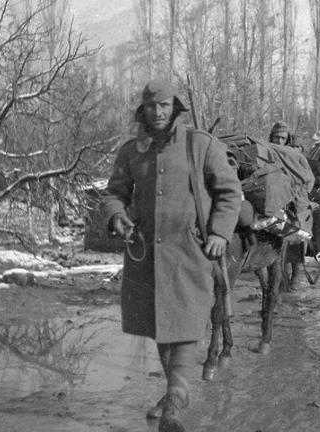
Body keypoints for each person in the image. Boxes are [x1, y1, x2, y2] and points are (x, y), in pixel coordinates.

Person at [100, 80, 241, 431]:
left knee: (187, 320)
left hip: (190, 249)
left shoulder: (200, 145)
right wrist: (117, 215)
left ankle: (176, 396)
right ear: (142, 111)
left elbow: (229, 192)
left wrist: (221, 233)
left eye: (164, 105)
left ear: (176, 107)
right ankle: (176, 391)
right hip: (145, 252)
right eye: (151, 106)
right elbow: (114, 193)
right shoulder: (131, 152)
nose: (158, 112)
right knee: (159, 325)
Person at [269, 120, 309, 291]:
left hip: (294, 198)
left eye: (282, 138)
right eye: (276, 137)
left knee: (298, 230)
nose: (279, 141)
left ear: (287, 139)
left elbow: (306, 178)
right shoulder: (266, 151)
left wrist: (295, 192)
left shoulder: (293, 155)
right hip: (273, 197)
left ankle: (296, 273)